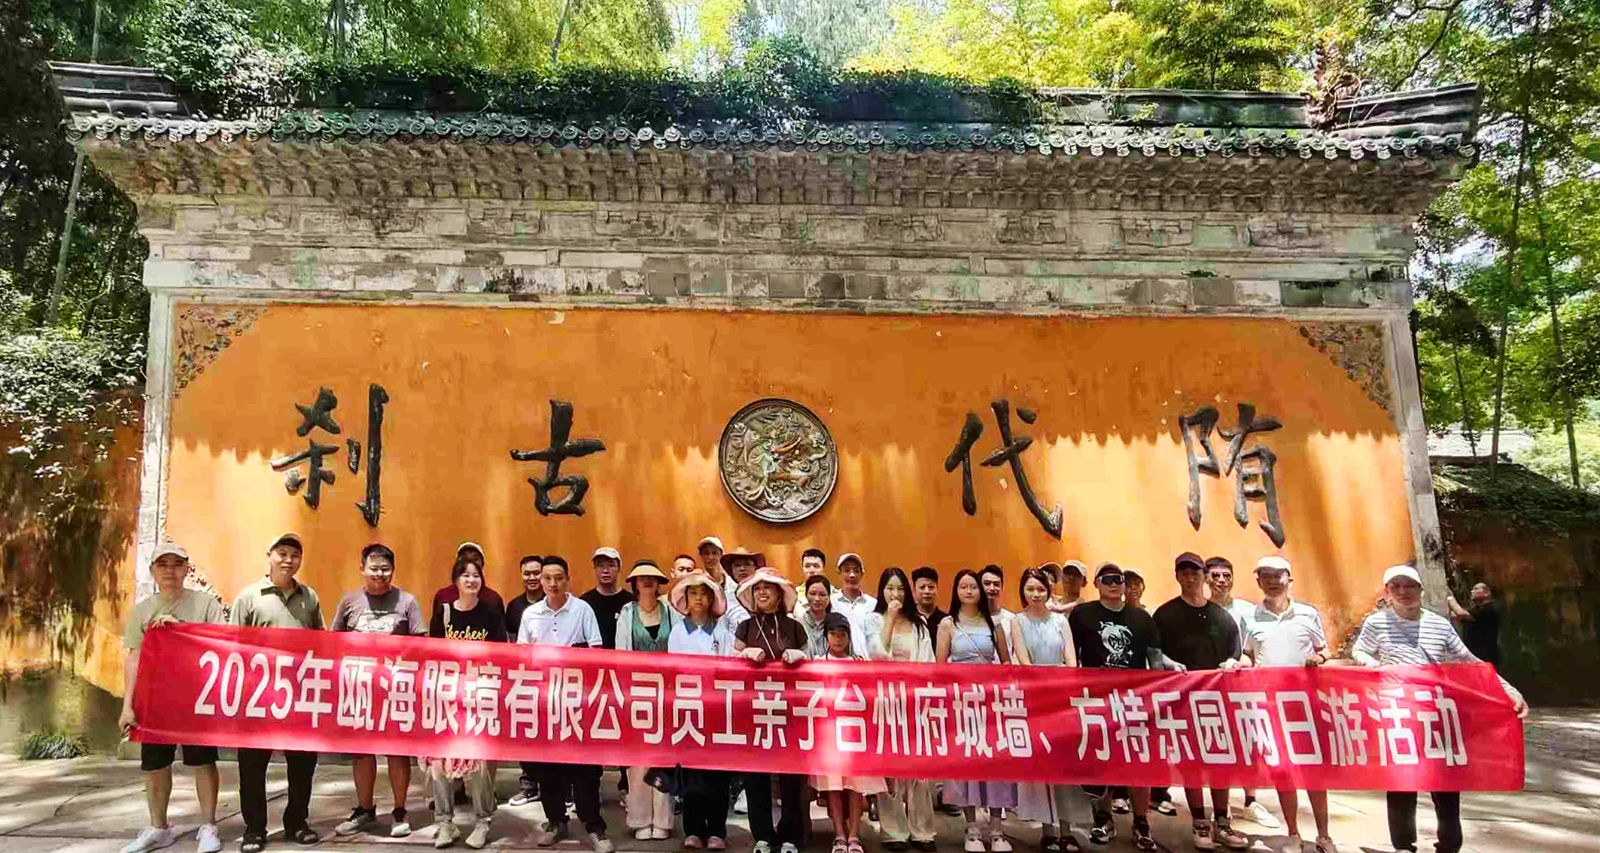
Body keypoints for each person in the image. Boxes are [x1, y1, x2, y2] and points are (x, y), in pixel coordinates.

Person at [1354, 565, 1527, 853]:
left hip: (1436, 713)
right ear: (1387, 592)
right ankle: (1403, 846)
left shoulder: (1439, 625)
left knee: (1445, 782)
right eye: (1395, 586)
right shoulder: (1376, 623)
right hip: (1398, 714)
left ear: (1420, 590)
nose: (1403, 592)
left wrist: (1509, 691)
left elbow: (1469, 661)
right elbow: (1360, 650)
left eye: (1409, 585)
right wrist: (1374, 665)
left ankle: (1449, 845)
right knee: (1401, 782)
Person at [119, 542, 226, 853]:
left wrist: (182, 631)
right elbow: (134, 658)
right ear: (153, 571)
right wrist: (127, 706)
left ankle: (209, 825)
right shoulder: (142, 611)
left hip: (196, 697)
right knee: (154, 764)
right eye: (162, 564)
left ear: (186, 569)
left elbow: (222, 645)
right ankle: (159, 827)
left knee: (202, 760)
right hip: (155, 700)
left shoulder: (205, 605)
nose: (169, 570)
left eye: (176, 564)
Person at [230, 533, 324, 853]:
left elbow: (322, 642)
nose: (288, 560)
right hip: (257, 696)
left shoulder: (309, 597)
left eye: (294, 555)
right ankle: (255, 828)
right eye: (282, 553)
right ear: (269, 556)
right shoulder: (249, 597)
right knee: (252, 766)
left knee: (302, 764)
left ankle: (297, 821)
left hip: (299, 695)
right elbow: (232, 645)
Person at [1238, 556, 1336, 853]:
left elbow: (1325, 649)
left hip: (1306, 705)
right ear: (1258, 581)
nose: (1272, 581)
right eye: (1265, 576)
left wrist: (1318, 658)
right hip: (1269, 706)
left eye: (1277, 575)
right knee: (1283, 770)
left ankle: (1324, 836)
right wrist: (1237, 664)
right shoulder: (1250, 617)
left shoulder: (1308, 613)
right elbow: (1247, 655)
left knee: (1313, 771)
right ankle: (1293, 833)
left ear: (1289, 579)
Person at [1154, 553, 1249, 851]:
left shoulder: (1222, 616)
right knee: (1191, 764)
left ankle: (1222, 822)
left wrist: (1233, 662)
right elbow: (1154, 652)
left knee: (1221, 763)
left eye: (1195, 572)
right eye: (1184, 572)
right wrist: (1168, 662)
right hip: (1181, 701)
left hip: (1218, 703)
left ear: (1204, 576)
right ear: (1177, 576)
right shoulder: (1165, 614)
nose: (1190, 577)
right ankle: (1200, 823)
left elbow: (1237, 652)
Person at [517, 556, 612, 852]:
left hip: (577, 703)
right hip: (545, 704)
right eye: (547, 578)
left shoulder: (582, 610)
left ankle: (594, 827)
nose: (553, 583)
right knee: (548, 770)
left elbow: (596, 651)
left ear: (567, 579)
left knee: (585, 771)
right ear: (541, 581)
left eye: (559, 577)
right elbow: (522, 657)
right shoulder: (530, 615)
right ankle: (556, 822)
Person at [1068, 563, 1164, 850]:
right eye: (1107, 579)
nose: (1114, 584)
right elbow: (1071, 655)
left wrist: (1158, 689)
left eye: (1118, 579)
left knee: (1139, 763)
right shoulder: (1082, 614)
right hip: (1096, 699)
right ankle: (1103, 818)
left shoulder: (1141, 617)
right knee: (1102, 760)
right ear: (1096, 583)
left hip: (1135, 701)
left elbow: (1155, 657)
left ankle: (1141, 822)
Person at [332, 543, 425, 839]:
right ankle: (364, 809)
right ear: (362, 568)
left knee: (396, 753)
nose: (379, 574)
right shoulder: (349, 602)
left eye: (385, 569)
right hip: (359, 691)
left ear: (393, 570)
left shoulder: (407, 602)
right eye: (374, 568)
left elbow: (422, 645)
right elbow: (332, 643)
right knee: (361, 753)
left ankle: (399, 811)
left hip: (396, 692)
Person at [427, 555, 507, 849]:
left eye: (476, 575)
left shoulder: (490, 613)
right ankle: (444, 823)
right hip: (448, 696)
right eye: (466, 575)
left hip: (480, 696)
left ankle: (483, 821)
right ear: (456, 581)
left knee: (479, 762)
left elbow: (502, 655)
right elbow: (432, 653)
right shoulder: (444, 612)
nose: (472, 580)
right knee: (439, 762)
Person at [1009, 568, 1088, 853]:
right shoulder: (1017, 621)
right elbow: (1024, 661)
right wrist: (1045, 684)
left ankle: (1067, 830)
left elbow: (1071, 659)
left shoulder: (1060, 621)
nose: (1036, 594)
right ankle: (1048, 830)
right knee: (1042, 767)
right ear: (1023, 591)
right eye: (1030, 589)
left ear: (1049, 590)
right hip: (1035, 701)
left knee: (1065, 767)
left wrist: (1062, 684)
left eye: (1040, 589)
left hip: (1062, 700)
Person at [937, 569, 1015, 853]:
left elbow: (1006, 665)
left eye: (973, 586)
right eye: (964, 586)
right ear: (956, 592)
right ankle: (971, 829)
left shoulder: (995, 624)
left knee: (996, 764)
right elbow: (940, 667)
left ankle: (997, 829)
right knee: (967, 764)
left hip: (991, 704)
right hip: (962, 704)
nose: (969, 591)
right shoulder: (947, 624)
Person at [733, 568, 810, 853]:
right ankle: (763, 836)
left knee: (791, 777)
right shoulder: (744, 627)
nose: (762, 592)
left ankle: (791, 836)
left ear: (779, 594)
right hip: (754, 711)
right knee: (756, 777)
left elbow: (812, 661)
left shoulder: (795, 627)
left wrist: (801, 657)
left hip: (790, 712)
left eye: (768, 587)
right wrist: (744, 655)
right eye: (757, 588)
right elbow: (730, 664)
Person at [1204, 556, 1278, 831]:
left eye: (1226, 575)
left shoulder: (1249, 611)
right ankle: (1220, 809)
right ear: (1206, 579)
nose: (1221, 581)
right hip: (1211, 689)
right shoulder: (1201, 610)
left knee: (1250, 745)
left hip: (1245, 689)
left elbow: (1254, 649)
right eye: (1215, 576)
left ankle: (1251, 801)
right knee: (1217, 747)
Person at [864, 569, 936, 853]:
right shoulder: (873, 620)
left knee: (919, 770)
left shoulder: (919, 624)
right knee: (890, 769)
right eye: (890, 588)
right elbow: (876, 656)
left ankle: (923, 831)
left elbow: (928, 662)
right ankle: (893, 831)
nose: (895, 594)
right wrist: (891, 619)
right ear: (882, 591)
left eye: (900, 589)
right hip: (885, 702)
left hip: (915, 702)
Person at [667, 573, 736, 850]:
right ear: (686, 598)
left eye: (704, 594)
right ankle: (693, 829)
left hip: (717, 710)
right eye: (693, 593)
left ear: (711, 599)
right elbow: (674, 670)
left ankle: (717, 830)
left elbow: (730, 670)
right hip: (688, 709)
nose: (698, 599)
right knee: (691, 771)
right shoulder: (677, 632)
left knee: (717, 773)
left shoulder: (722, 633)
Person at [615, 560, 680, 841]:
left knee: (664, 758)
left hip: (668, 694)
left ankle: (663, 820)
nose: (646, 582)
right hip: (636, 694)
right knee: (637, 759)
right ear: (634, 583)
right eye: (641, 578)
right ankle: (640, 819)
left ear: (659, 583)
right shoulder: (627, 613)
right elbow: (621, 654)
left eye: (651, 578)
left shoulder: (671, 612)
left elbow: (679, 651)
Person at [814, 612, 888, 853]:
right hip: (828, 734)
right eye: (833, 634)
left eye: (842, 635)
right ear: (826, 636)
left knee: (856, 787)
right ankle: (839, 835)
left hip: (856, 733)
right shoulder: (817, 663)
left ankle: (854, 835)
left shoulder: (859, 663)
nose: (838, 639)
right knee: (833, 786)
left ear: (849, 637)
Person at [505, 554, 545, 810]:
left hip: (552, 682)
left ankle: (558, 787)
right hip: (525, 679)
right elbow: (511, 643)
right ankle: (529, 785)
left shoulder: (554, 601)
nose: (532, 578)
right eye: (527, 573)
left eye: (536, 573)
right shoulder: (514, 606)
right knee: (527, 734)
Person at [430, 542, 504, 615]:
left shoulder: (493, 599)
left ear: (482, 566)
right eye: (464, 558)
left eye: (475, 559)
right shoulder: (443, 596)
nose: (470, 562)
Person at [583, 547, 634, 650]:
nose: (605, 571)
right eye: (600, 566)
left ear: (619, 568)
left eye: (611, 565)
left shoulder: (631, 602)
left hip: (623, 656)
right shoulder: (585, 603)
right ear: (594, 568)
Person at [1446, 581, 1502, 666]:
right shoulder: (1476, 609)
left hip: (1485, 655)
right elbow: (1456, 615)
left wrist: (1450, 598)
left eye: (1476, 589)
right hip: (1473, 654)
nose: (1472, 591)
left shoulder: (1490, 609)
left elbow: (1460, 613)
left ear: (1487, 593)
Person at [720, 546, 763, 634]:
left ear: (755, 568)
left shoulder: (764, 594)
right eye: (737, 565)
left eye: (747, 564)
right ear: (732, 570)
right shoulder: (724, 598)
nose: (742, 568)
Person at [979, 565, 1015, 655]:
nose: (992, 588)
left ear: (1002, 587)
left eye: (996, 584)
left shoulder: (1012, 619)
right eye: (987, 583)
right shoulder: (970, 618)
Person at [797, 574, 835, 658]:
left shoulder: (836, 623)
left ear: (829, 596)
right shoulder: (798, 623)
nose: (817, 599)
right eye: (813, 594)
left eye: (822, 594)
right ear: (806, 595)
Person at [911, 566, 947, 634]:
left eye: (931, 587)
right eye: (922, 587)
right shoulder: (908, 618)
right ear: (914, 589)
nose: (927, 591)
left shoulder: (944, 620)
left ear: (937, 588)